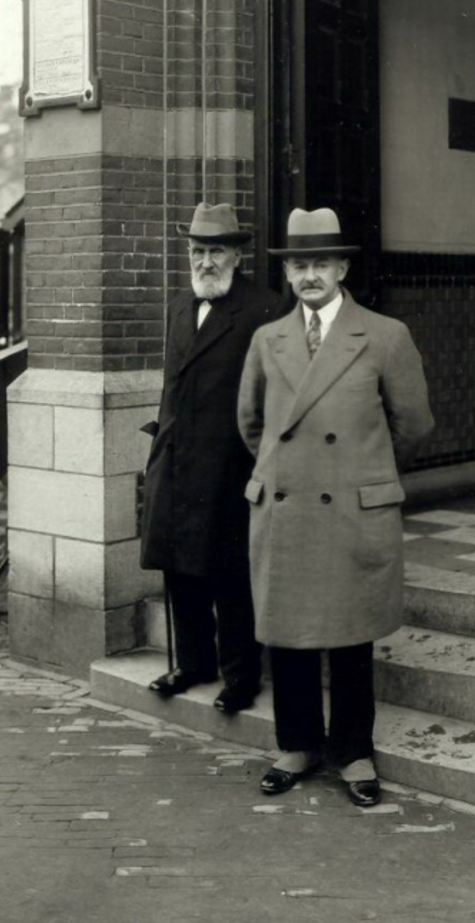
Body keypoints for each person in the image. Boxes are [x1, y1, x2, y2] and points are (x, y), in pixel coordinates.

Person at [237, 207, 434, 806]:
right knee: (289, 633)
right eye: (299, 265)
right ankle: (296, 746)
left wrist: (358, 468)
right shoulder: (267, 339)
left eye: (320, 263)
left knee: (352, 637)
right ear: (287, 273)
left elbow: (413, 424)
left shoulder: (384, 335)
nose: (309, 275)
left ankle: (353, 753)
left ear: (342, 269)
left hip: (352, 506)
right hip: (287, 506)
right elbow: (251, 424)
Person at [141, 202, 285, 713]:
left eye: (216, 252)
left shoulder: (265, 309)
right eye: (198, 251)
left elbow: (272, 398)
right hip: (176, 460)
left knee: (231, 574)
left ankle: (240, 677)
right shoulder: (180, 306)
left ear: (236, 256)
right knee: (181, 569)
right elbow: (172, 387)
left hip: (230, 466)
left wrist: (261, 465)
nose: (206, 262)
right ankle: (193, 662)